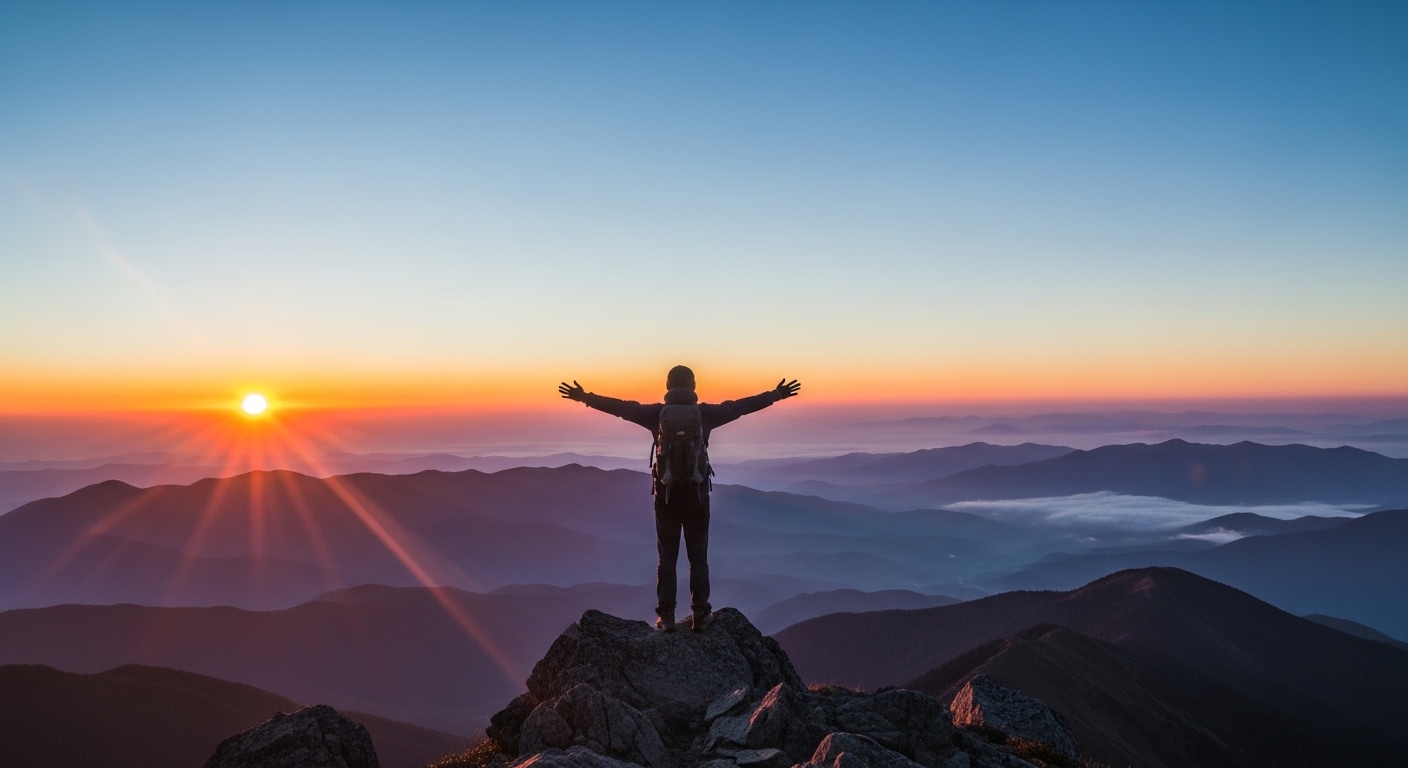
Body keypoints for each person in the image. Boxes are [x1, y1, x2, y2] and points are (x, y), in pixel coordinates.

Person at [559, 366, 801, 632]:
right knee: (698, 557)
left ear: (667, 386)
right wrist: (775, 394)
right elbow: (740, 407)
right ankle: (701, 614)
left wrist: (586, 397)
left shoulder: (656, 415)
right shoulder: (705, 414)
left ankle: (667, 617)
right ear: (693, 386)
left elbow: (622, 408)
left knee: (667, 557)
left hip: (666, 498)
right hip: (697, 497)